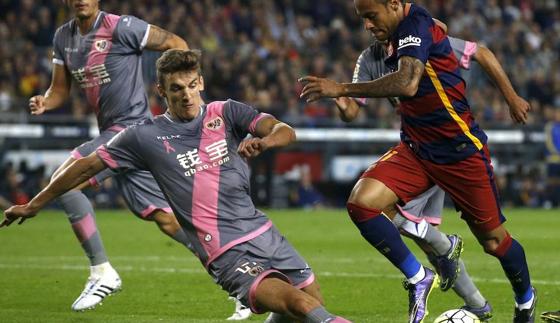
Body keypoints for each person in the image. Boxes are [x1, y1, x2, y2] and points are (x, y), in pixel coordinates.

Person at [3, 49, 351, 323]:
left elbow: (284, 130)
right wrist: (35, 203)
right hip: (224, 251)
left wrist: (266, 143)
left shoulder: (226, 112)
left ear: (200, 82)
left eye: (190, 85)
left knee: (309, 305)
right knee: (303, 305)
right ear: (162, 91)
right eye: (176, 89)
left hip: (263, 230)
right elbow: (85, 166)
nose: (186, 95)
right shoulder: (143, 136)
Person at [299, 1, 535, 322]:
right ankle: (420, 277)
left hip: (459, 151)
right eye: (363, 19)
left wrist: (511, 97)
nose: (367, 25)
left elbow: (410, 82)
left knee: (494, 242)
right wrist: (341, 100)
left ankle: (525, 301)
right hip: (416, 148)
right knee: (363, 204)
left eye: (371, 16)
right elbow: (353, 110)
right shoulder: (373, 56)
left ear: (394, 5)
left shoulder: (420, 28)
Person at [26, 0, 196, 311]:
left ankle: (102, 272)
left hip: (130, 129)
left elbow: (177, 44)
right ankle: (229, 268)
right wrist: (45, 102)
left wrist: (179, 95)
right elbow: (59, 91)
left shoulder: (123, 27)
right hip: (117, 134)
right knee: (166, 220)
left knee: (65, 182)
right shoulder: (63, 37)